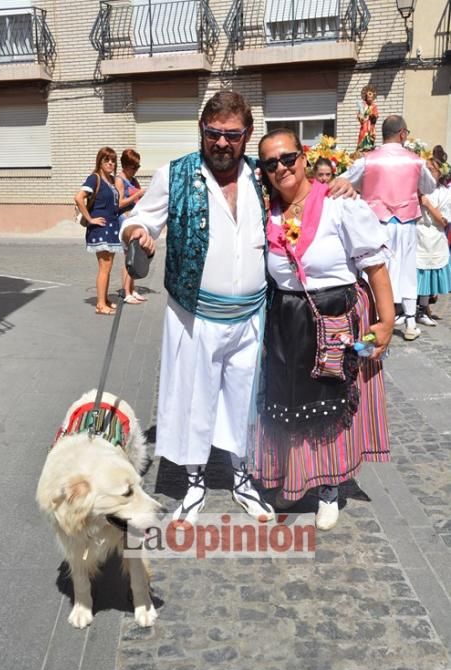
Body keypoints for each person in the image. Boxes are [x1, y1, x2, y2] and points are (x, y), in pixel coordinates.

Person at [121, 91, 355, 527]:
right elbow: (141, 219)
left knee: (243, 401)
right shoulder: (174, 174)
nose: (222, 143)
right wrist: (137, 233)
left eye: (232, 134)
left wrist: (341, 184)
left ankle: (242, 477)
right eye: (214, 133)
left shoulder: (258, 175)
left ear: (246, 136)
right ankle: (193, 485)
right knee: (194, 398)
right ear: (202, 132)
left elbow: (302, 190)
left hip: (251, 316)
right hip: (193, 315)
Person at [251, 128, 394, 531]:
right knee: (288, 403)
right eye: (270, 163)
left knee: (331, 405)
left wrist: (386, 322)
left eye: (288, 157)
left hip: (337, 315)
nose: (281, 167)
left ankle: (330, 487)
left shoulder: (338, 204)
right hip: (287, 321)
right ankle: (293, 479)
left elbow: (375, 264)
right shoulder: (268, 214)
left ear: (303, 158)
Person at [345, 115, 436, 341]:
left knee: (374, 268)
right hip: (405, 223)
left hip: (377, 222)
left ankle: (372, 317)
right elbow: (429, 187)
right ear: (403, 133)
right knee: (406, 268)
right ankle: (410, 321)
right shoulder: (415, 161)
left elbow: (346, 181)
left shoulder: (368, 160)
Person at [74, 147, 122, 315]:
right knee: (104, 267)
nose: (110, 163)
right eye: (106, 160)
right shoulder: (94, 178)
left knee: (108, 267)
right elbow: (78, 197)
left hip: (111, 228)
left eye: (113, 160)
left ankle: (104, 299)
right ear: (100, 162)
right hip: (100, 229)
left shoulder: (110, 180)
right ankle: (100, 305)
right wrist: (90, 218)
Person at [416, 153, 451, 326]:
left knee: (428, 273)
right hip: (418, 235)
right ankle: (410, 309)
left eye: (432, 170)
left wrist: (428, 204)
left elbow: (444, 221)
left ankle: (423, 308)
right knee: (416, 273)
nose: (428, 173)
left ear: (439, 173)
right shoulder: (418, 189)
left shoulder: (445, 193)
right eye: (426, 170)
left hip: (435, 236)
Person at [116, 148, 147, 305]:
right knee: (128, 258)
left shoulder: (133, 180)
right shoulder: (120, 180)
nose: (136, 170)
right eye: (134, 167)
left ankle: (132, 289)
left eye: (138, 167)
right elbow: (119, 203)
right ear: (125, 165)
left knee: (135, 256)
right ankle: (126, 292)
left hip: (134, 220)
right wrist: (137, 195)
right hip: (124, 221)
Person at [356, 84, 379, 152]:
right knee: (362, 135)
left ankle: (369, 148)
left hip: (370, 126)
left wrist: (372, 114)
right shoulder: (362, 105)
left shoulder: (374, 106)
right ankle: (361, 149)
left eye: (371, 98)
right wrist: (361, 117)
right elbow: (359, 115)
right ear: (366, 97)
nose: (370, 99)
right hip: (364, 125)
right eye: (368, 98)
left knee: (370, 137)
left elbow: (376, 116)